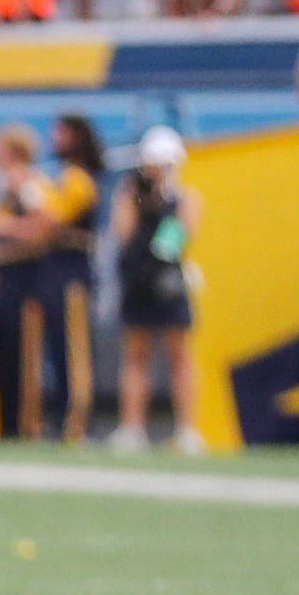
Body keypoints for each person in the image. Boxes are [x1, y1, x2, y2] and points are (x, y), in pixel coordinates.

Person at [112, 126, 202, 453]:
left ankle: (187, 430)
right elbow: (123, 236)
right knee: (136, 356)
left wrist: (164, 204)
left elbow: (175, 242)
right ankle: (132, 428)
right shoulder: (129, 193)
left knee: (180, 356)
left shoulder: (185, 198)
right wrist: (140, 199)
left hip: (167, 283)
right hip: (138, 282)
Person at [0, 123, 56, 443]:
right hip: (6, 277)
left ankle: (28, 425)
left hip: (27, 278)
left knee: (25, 354)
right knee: (1, 351)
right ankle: (5, 422)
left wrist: (7, 227)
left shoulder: (28, 183)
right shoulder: (3, 185)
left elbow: (45, 227)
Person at [42, 114, 104, 443]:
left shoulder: (78, 179)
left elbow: (50, 220)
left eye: (61, 133)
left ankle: (78, 422)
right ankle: (64, 420)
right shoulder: (64, 177)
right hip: (57, 270)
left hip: (72, 273)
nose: (54, 138)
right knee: (57, 348)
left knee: (74, 349)